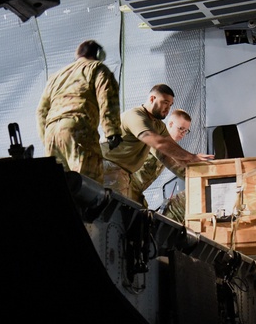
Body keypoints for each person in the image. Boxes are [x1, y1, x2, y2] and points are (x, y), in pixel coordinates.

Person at [101, 85, 212, 201]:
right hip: (110, 168)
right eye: (165, 102)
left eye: (170, 105)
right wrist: (192, 156)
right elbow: (159, 144)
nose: (167, 108)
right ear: (152, 99)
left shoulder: (158, 125)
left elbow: (170, 153)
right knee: (112, 211)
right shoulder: (136, 116)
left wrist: (195, 172)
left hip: (125, 176)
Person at [36, 40, 122, 182]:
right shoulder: (97, 68)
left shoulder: (56, 76)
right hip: (78, 129)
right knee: (87, 186)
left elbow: (41, 111)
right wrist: (112, 131)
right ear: (99, 54)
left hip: (52, 134)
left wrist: (45, 138)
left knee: (59, 187)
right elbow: (107, 98)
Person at [128, 108, 192, 208]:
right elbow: (170, 160)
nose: (183, 134)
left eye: (186, 131)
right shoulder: (157, 137)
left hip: (135, 189)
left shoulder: (171, 147)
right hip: (128, 185)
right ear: (170, 124)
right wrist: (193, 176)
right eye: (181, 129)